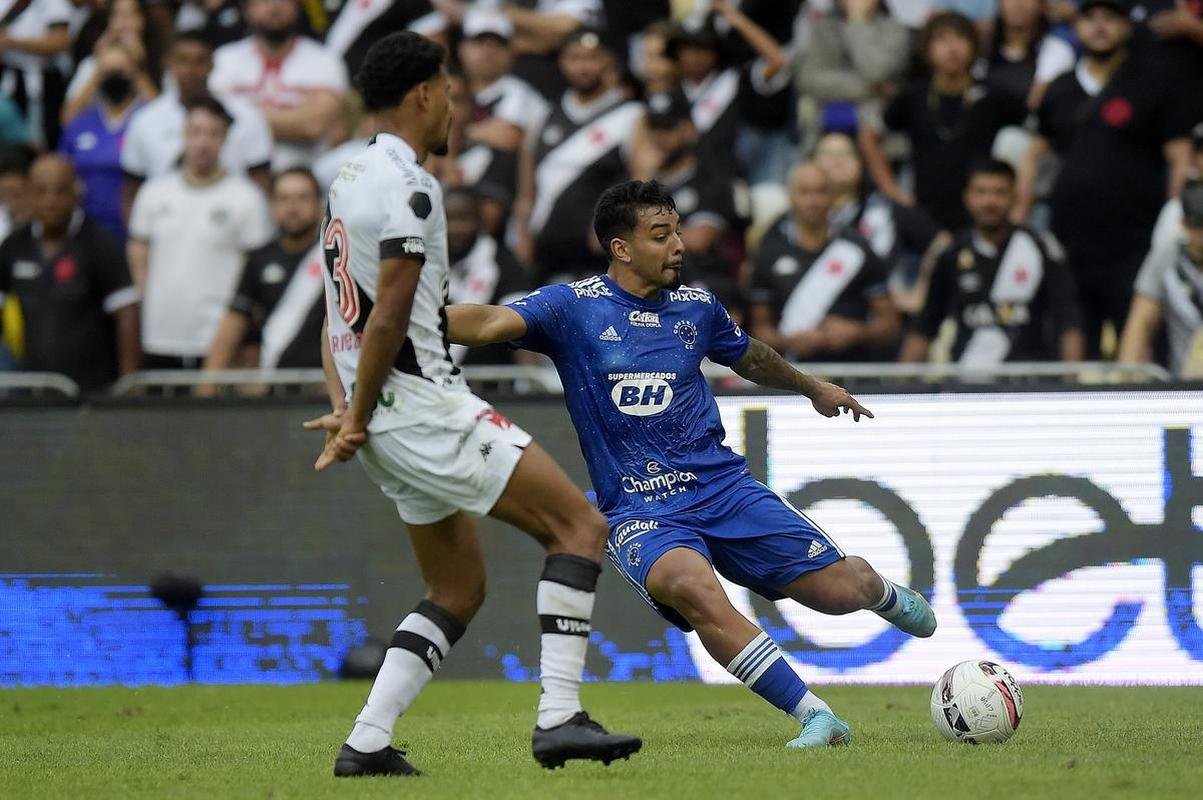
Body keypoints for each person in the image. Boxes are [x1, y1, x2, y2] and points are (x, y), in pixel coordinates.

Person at [444, 179, 936, 749]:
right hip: (637, 505)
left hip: (724, 488)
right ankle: (817, 717)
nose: (678, 244)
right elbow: (485, 323)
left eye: (677, 230)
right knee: (690, 586)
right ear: (621, 248)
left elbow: (751, 356)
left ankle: (882, 594)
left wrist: (813, 388)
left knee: (838, 592)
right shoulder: (571, 307)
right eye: (661, 234)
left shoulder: (697, 308)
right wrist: (403, 314)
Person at [299, 32, 640, 777]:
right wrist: (354, 414)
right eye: (449, 87)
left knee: (455, 587)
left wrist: (346, 403)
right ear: (423, 93)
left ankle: (365, 743)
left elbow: (339, 317)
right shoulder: (410, 187)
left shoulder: (347, 176)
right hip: (422, 406)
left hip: (385, 417)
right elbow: (386, 316)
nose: (456, 101)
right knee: (578, 525)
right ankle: (559, 717)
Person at [1014, 0, 1195, 357]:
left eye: (1110, 19)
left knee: (1140, 352)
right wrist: (1021, 214)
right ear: (1076, 26)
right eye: (1091, 19)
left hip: (1134, 244)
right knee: (1075, 352)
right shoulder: (1059, 88)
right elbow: (1034, 155)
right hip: (1069, 244)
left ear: (1127, 25)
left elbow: (1179, 154)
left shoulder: (1152, 82)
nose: (1100, 27)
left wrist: (1174, 215)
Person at [127, 96, 273, 369]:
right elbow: (138, 254)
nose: (203, 142)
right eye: (195, 132)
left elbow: (254, 269)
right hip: (159, 337)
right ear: (183, 135)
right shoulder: (153, 193)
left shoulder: (246, 198)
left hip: (218, 340)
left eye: (213, 133)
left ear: (225, 139)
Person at [900, 158, 1084, 365]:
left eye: (999, 192)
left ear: (1014, 196)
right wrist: (900, 383)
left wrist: (1071, 378)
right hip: (966, 384)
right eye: (981, 192)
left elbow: (1068, 321)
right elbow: (925, 325)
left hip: (1030, 383)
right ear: (967, 197)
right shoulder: (952, 253)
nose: (989, 202)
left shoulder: (1041, 249)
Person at [860, 11, 1028, 230]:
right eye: (941, 39)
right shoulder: (913, 96)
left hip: (983, 217)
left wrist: (1020, 202)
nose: (952, 48)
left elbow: (1034, 142)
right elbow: (869, 136)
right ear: (927, 49)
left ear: (974, 46)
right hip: (924, 215)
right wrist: (892, 190)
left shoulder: (994, 95)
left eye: (960, 38)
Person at [0, 154, 140, 390]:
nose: (50, 201)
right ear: (29, 195)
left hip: (93, 393)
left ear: (76, 193)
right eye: (41, 191)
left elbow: (127, 314)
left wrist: (129, 386)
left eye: (60, 191)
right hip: (32, 390)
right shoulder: (14, 246)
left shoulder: (100, 243)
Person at [515, 27, 642, 282]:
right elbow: (526, 190)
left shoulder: (632, 116)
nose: (584, 67)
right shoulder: (543, 115)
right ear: (562, 62)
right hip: (548, 249)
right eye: (575, 58)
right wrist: (523, 237)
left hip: (600, 254)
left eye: (592, 58)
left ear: (607, 61)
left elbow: (641, 182)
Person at [749, 163, 901, 362]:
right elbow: (758, 329)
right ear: (791, 196)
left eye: (820, 192)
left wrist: (856, 332)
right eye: (805, 192)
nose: (813, 201)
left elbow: (890, 326)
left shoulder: (858, 250)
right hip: (790, 376)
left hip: (850, 373)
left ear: (832, 197)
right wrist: (789, 341)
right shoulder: (769, 252)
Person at [121, 31, 273, 204]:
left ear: (212, 64)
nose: (191, 70)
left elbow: (262, 182)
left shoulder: (246, 116)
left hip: (230, 218)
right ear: (168, 63)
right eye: (182, 60)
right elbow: (132, 188)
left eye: (200, 61)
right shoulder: (145, 121)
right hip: (165, 220)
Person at [203, 167, 325, 373]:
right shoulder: (258, 258)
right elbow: (234, 321)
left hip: (324, 383)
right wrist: (206, 388)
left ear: (319, 205)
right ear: (271, 206)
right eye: (284, 199)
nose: (293, 207)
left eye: (302, 198)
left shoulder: (335, 256)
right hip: (274, 384)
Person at [811, 131, 946, 312]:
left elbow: (943, 243)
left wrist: (919, 293)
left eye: (846, 154)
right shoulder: (796, 218)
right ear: (812, 164)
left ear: (860, 164)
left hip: (882, 321)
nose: (837, 160)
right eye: (828, 154)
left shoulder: (887, 211)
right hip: (819, 323)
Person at [208, 0, 348, 169]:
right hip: (235, 175)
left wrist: (243, 115)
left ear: (298, 7)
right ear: (246, 9)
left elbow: (312, 126)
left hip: (305, 176)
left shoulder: (325, 60)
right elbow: (214, 118)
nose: (274, 7)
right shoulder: (224, 59)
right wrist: (292, 116)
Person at [642, 88, 744, 309]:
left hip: (698, 278)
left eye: (668, 128)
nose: (660, 137)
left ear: (689, 129)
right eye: (654, 128)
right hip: (647, 281)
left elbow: (699, 240)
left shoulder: (712, 179)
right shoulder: (641, 182)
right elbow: (599, 235)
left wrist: (636, 237)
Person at [57, 39, 144, 241]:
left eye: (120, 70)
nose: (113, 77)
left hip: (134, 229)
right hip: (85, 232)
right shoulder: (80, 123)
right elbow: (63, 171)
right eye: (106, 71)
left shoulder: (147, 120)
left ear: (134, 74)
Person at [1118, 181, 1203, 376]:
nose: (1202, 236)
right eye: (1197, 225)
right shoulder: (1167, 256)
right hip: (1184, 383)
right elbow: (1140, 322)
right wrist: (1125, 379)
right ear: (1184, 223)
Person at [444, 185, 529, 366]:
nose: (455, 228)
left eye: (463, 219)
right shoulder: (425, 263)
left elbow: (523, 329)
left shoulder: (504, 263)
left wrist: (529, 388)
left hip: (492, 386)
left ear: (480, 221)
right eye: (448, 219)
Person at [60, 0, 160, 125]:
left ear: (144, 20)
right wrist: (100, 66)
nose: (124, 23)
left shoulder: (160, 59)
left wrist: (136, 67)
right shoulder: (92, 63)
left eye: (131, 14)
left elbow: (163, 117)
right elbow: (67, 119)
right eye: (117, 15)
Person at [0, 0, 73, 147]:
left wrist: (12, 42)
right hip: (8, 75)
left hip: (41, 80)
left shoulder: (54, 4)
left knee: (38, 136)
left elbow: (60, 42)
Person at [980, 0, 1075, 109]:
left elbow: (1036, 103)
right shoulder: (981, 48)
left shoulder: (1058, 51)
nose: (1017, 4)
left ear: (1043, 6)